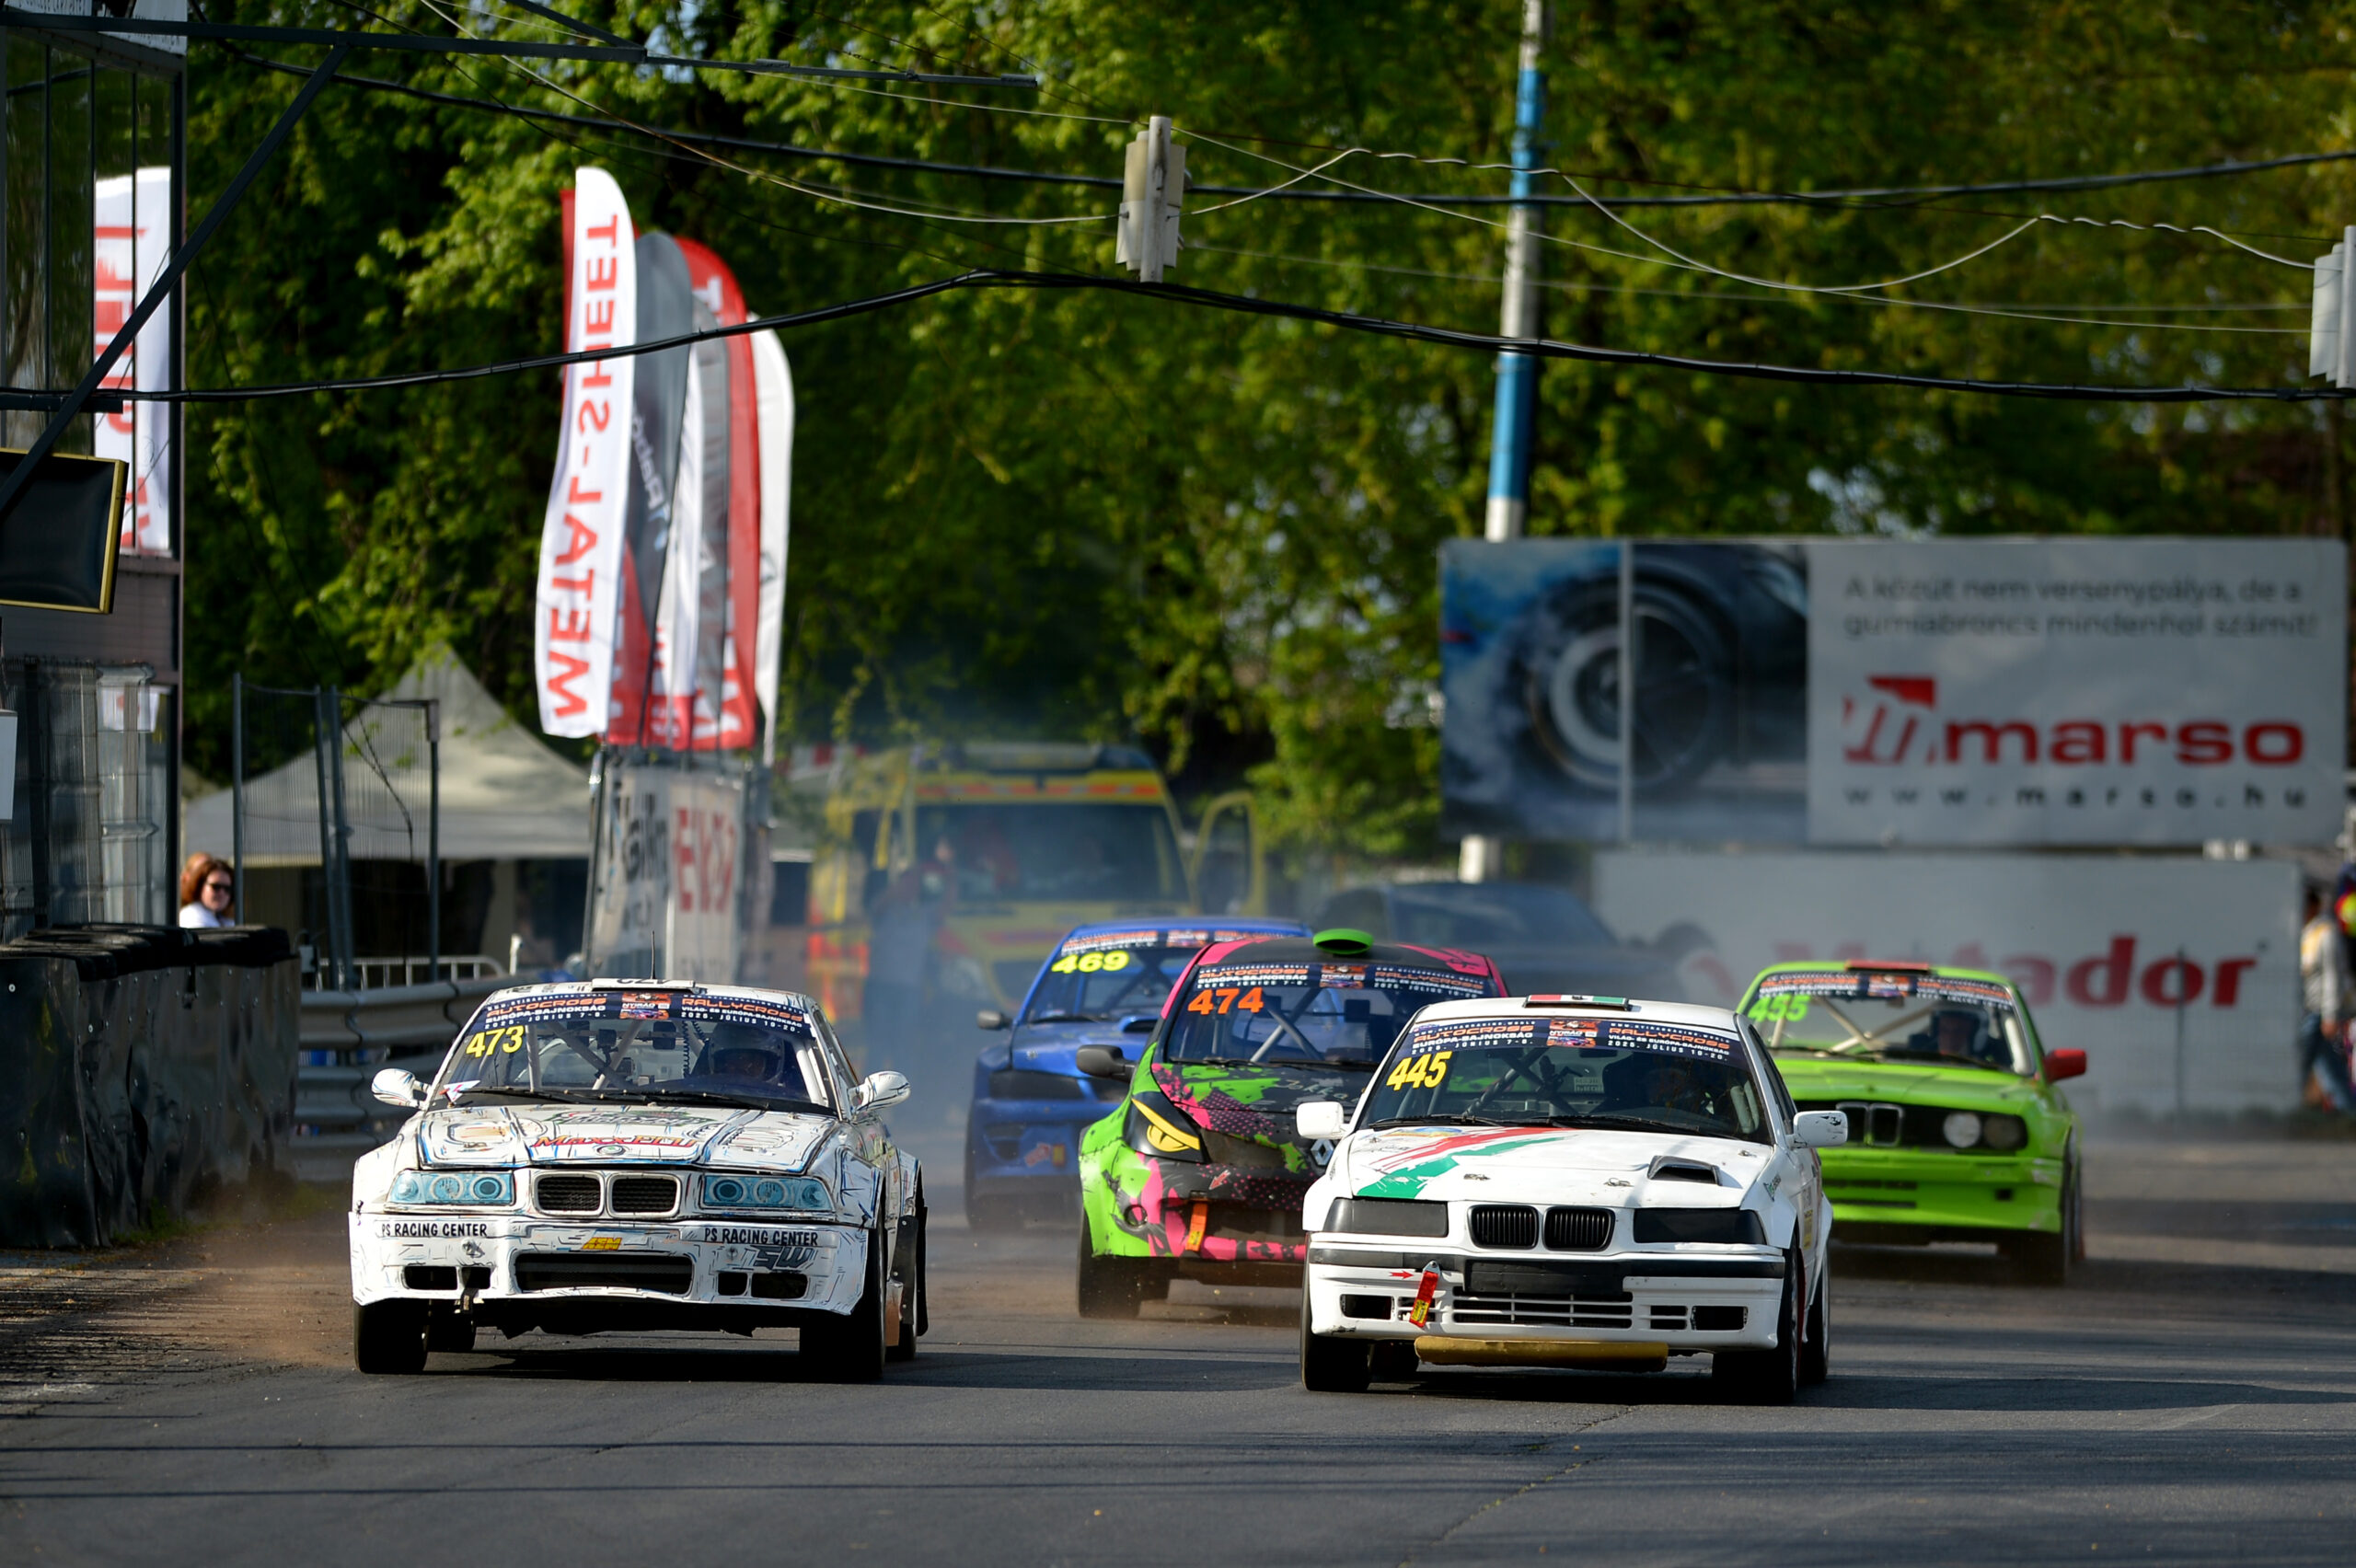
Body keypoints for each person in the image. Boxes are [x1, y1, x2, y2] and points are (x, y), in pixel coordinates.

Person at [2298, 885, 2352, 1112]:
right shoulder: (2307, 932)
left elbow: (2333, 976)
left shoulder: (2325, 933)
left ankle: (2282, 1110)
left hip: (2318, 1013)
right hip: (2308, 1011)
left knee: (2298, 1065)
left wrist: (2330, 1014)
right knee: (2331, 1070)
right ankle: (2350, 1113)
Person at [178, 852, 235, 928]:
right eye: (216, 887)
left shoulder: (224, 919)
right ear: (199, 886)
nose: (222, 893)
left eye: (227, 889)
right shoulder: (192, 916)